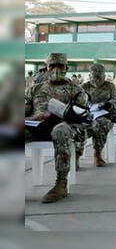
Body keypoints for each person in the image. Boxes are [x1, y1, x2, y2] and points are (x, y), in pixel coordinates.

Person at [25, 53, 89, 203]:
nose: (55, 69)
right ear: (46, 68)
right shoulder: (36, 88)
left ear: (66, 68)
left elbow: (81, 116)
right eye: (51, 66)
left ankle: (61, 184)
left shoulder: (76, 90)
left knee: (60, 130)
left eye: (60, 66)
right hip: (38, 125)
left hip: (64, 126)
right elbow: (25, 109)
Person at [81, 64, 116, 167]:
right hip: (88, 114)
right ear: (90, 76)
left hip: (105, 114)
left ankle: (97, 154)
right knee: (78, 126)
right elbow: (80, 102)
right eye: (94, 77)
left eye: (99, 77)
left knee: (102, 123)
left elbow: (115, 100)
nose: (96, 80)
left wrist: (105, 104)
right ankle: (77, 154)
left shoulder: (110, 86)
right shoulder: (84, 87)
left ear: (104, 76)